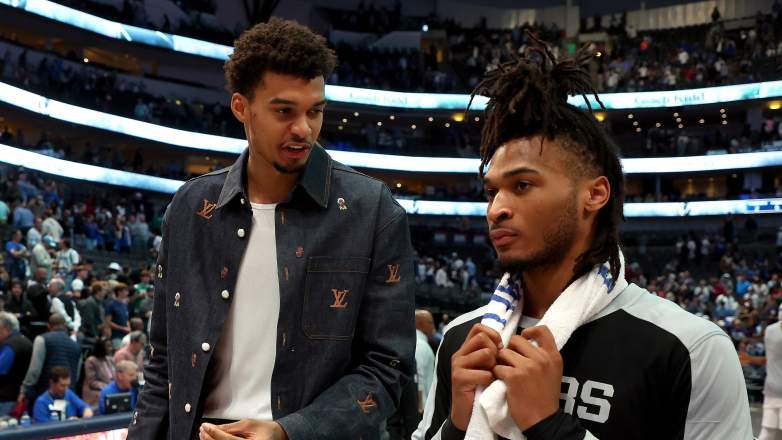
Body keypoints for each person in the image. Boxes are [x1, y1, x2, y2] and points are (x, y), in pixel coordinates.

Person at [414, 38, 752, 439]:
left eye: (522, 185)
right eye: (491, 192)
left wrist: (551, 426)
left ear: (594, 194)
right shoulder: (462, 340)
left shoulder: (692, 349)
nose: (496, 209)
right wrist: (457, 425)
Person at [129, 18, 415, 440]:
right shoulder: (191, 208)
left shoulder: (371, 211)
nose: (304, 129)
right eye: (284, 111)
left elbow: (388, 367)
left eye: (314, 111)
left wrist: (289, 432)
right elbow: (164, 360)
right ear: (242, 107)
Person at [19, 314, 81, 404]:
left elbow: (34, 370)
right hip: (69, 396)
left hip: (46, 395)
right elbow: (76, 376)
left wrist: (24, 390)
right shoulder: (76, 346)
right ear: (65, 327)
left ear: (48, 326)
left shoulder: (42, 339)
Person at [0, 312, 32, 416]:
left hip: (7, 400)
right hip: (23, 397)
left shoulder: (10, 345)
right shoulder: (27, 341)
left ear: (4, 328)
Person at [760, 306, 782, 440]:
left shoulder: (769, 330)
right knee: (769, 432)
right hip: (773, 389)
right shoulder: (772, 332)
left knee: (768, 433)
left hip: (771, 388)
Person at [82, 337, 115, 407]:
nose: (111, 348)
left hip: (112, 391)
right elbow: (92, 382)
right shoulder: (91, 361)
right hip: (96, 393)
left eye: (111, 346)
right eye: (108, 346)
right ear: (101, 347)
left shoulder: (110, 359)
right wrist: (109, 387)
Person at [105, 282, 131, 348]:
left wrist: (129, 327)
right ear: (119, 292)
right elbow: (108, 322)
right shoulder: (111, 305)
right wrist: (122, 328)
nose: (127, 292)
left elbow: (126, 319)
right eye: (125, 290)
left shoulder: (125, 304)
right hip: (116, 336)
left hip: (126, 335)